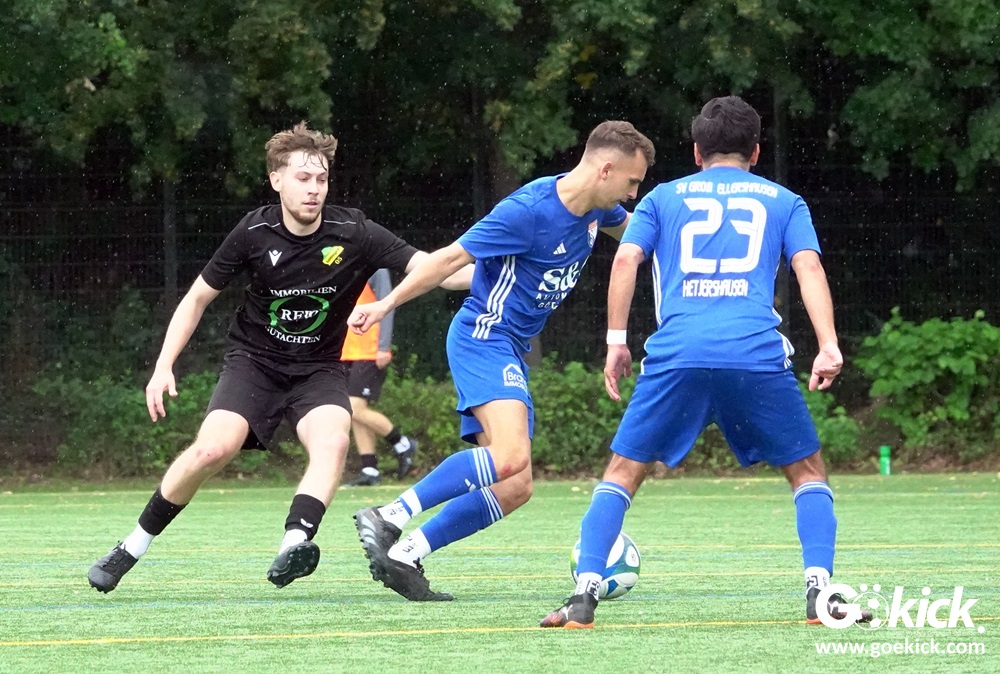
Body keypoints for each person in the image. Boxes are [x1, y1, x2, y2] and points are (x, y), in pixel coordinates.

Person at [87, 122, 469, 594]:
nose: (314, 189)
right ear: (276, 180)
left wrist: (500, 272)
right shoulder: (253, 231)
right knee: (211, 450)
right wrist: (163, 365)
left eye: (321, 179)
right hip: (254, 364)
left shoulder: (355, 231)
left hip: (318, 369)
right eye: (303, 178)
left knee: (334, 440)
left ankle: (294, 544)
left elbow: (435, 270)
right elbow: (196, 298)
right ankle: (132, 546)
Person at [540, 96, 873, 628]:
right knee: (807, 472)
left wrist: (616, 341)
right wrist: (828, 343)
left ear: (697, 152)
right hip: (753, 353)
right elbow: (808, 267)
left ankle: (583, 597)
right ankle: (820, 593)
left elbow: (625, 258)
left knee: (623, 473)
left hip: (678, 355)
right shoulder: (785, 201)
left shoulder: (661, 198)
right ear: (756, 151)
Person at [350, 121, 655, 601]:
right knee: (510, 456)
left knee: (516, 486)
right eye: (632, 182)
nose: (634, 194)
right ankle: (388, 516)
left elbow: (642, 238)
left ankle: (405, 553)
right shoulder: (527, 211)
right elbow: (447, 260)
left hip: (508, 347)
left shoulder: (600, 209)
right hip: (483, 337)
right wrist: (385, 305)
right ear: (606, 169)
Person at [342, 268, 417, 486]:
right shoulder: (338, 261)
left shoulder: (377, 268)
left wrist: (383, 346)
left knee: (354, 407)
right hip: (345, 350)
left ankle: (402, 443)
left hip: (369, 350)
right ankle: (370, 469)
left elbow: (387, 305)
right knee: (353, 412)